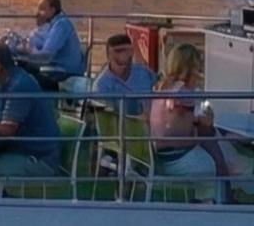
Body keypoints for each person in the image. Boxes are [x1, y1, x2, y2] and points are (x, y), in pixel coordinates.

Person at [150, 41, 250, 199]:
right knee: (213, 141)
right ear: (191, 68)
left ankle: (222, 192)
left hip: (161, 155)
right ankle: (225, 192)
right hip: (176, 158)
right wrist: (205, 118)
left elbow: (183, 120)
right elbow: (202, 120)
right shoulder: (182, 93)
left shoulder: (161, 87)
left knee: (212, 139)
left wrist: (201, 120)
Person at [0, 42, 63, 187]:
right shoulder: (0, 84)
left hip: (38, 158)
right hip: (16, 150)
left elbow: (7, 130)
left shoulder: (19, 86)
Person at [20, 0, 85, 89]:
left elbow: (47, 56)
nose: (38, 12)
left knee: (25, 73)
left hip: (66, 71)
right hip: (59, 66)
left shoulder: (61, 25)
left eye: (42, 9)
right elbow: (43, 42)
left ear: (52, 10)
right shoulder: (54, 24)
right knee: (27, 67)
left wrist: (30, 51)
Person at [91, 32, 157, 118]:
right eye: (118, 51)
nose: (123, 55)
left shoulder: (146, 73)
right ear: (108, 56)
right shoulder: (101, 86)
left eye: (126, 51)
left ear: (132, 52)